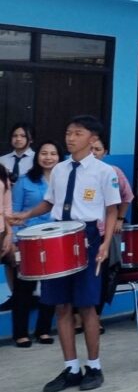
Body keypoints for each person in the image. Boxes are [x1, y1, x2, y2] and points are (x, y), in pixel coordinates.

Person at [7, 115, 122, 392]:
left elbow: (111, 210)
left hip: (87, 237)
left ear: (93, 138)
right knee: (61, 305)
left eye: (78, 133)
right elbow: (50, 203)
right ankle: (70, 367)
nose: (70, 138)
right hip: (58, 236)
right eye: (69, 132)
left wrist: (105, 243)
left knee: (87, 305)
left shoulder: (104, 172)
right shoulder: (60, 169)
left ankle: (94, 366)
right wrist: (25, 215)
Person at [5, 141, 61, 346]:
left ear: (59, 157)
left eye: (53, 153)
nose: (48, 157)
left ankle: (43, 330)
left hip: (55, 240)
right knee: (23, 288)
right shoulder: (24, 181)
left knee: (51, 287)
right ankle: (20, 333)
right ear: (37, 157)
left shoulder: (63, 180)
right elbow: (13, 213)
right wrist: (14, 241)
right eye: (44, 153)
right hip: (27, 241)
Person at [91, 138, 133, 326]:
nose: (93, 152)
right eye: (90, 148)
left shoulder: (113, 172)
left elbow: (127, 196)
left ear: (105, 152)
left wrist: (120, 218)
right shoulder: (77, 172)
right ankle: (79, 317)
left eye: (97, 149)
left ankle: (95, 318)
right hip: (82, 232)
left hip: (104, 232)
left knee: (103, 275)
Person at [1, 122, 35, 312]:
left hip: (28, 212)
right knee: (10, 257)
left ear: (30, 139)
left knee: (26, 256)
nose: (18, 139)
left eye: (22, 136)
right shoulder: (3, 160)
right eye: (15, 135)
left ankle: (28, 295)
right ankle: (15, 295)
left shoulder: (38, 159)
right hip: (7, 212)